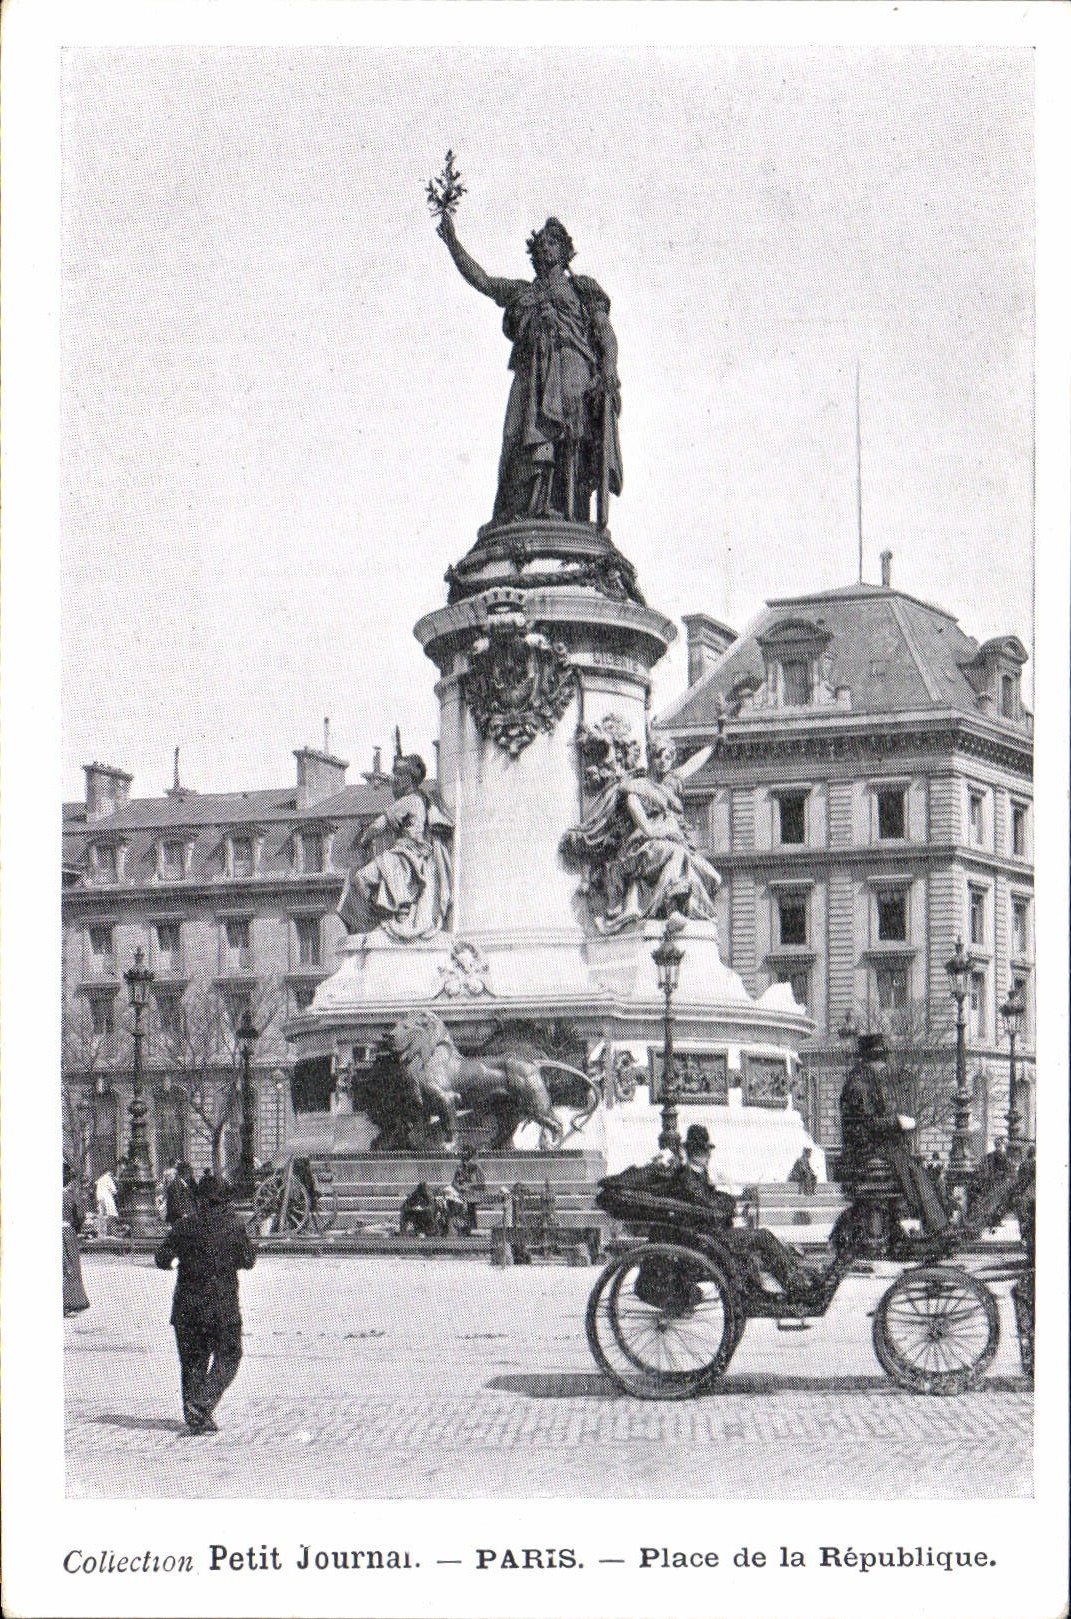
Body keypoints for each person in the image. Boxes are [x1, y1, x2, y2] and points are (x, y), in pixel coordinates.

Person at [437, 211, 622, 525]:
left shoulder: (582, 289)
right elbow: (483, 281)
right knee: (521, 437)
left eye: (554, 242)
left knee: (570, 440)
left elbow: (604, 332)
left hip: (572, 368)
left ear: (565, 252)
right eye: (542, 243)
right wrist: (453, 243)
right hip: (532, 374)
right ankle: (528, 508)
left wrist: (609, 369)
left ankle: (570, 514)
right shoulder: (523, 292)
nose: (546, 248)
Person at [154, 1173, 255, 1434]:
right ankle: (202, 1403)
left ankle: (195, 1414)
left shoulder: (185, 1226)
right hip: (222, 1307)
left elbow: (162, 1257)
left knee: (192, 1362)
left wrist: (179, 1261)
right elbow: (248, 1260)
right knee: (230, 1354)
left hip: (187, 1307)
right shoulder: (233, 1226)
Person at [674, 1125, 815, 1299]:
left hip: (710, 1236)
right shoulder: (688, 1177)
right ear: (696, 1152)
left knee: (761, 1239)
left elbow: (712, 1197)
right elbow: (709, 1204)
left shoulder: (695, 1174)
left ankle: (779, 1285)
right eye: (704, 1151)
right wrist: (730, 1204)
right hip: (710, 1239)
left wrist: (734, 1198)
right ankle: (796, 1287)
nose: (708, 1155)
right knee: (763, 1236)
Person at [338, 753, 452, 941]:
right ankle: (392, 915)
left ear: (407, 779)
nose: (394, 781)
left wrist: (362, 841)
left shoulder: (408, 801)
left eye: (397, 776)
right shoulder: (423, 799)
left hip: (405, 855)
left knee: (361, 877)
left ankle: (375, 922)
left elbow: (378, 826)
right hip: (413, 855)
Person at [63, 1162, 90, 1316]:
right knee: (71, 1266)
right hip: (66, 1232)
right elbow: (79, 1216)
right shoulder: (69, 1195)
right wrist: (77, 1228)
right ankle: (72, 1300)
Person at [95, 1167, 118, 1236]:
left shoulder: (100, 1180)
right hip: (107, 1199)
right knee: (111, 1216)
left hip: (100, 1199)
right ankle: (112, 1233)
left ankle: (102, 1233)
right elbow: (114, 1191)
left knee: (102, 1216)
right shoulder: (108, 1178)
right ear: (109, 1172)